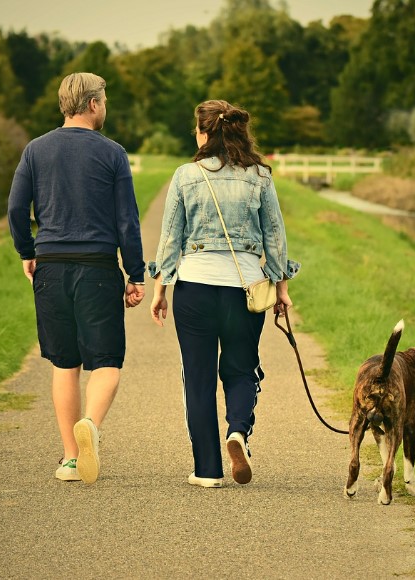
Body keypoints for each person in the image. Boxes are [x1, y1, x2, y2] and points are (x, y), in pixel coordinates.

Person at [148, 100, 300, 488]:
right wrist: (281, 289)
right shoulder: (260, 177)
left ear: (204, 133)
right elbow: (275, 238)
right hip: (246, 289)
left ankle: (206, 470)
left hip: (195, 287)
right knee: (241, 368)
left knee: (197, 378)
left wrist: (160, 289)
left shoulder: (185, 176)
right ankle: (238, 431)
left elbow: (170, 239)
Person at [7, 72, 146, 485]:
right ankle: (91, 424)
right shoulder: (113, 154)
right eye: (103, 101)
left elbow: (17, 209)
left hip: (50, 266)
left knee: (65, 364)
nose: (105, 107)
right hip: (98, 269)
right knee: (106, 363)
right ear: (91, 104)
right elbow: (127, 221)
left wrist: (27, 252)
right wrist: (135, 274)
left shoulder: (35, 150)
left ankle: (70, 457)